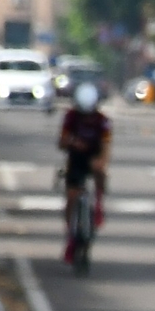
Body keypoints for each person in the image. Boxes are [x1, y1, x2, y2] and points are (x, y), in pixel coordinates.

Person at [57, 82, 111, 263]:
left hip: (93, 155)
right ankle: (70, 234)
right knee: (72, 195)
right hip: (76, 158)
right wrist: (72, 143)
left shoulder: (103, 121)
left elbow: (106, 147)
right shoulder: (70, 117)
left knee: (100, 173)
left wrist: (101, 163)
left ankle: (98, 206)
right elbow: (62, 142)